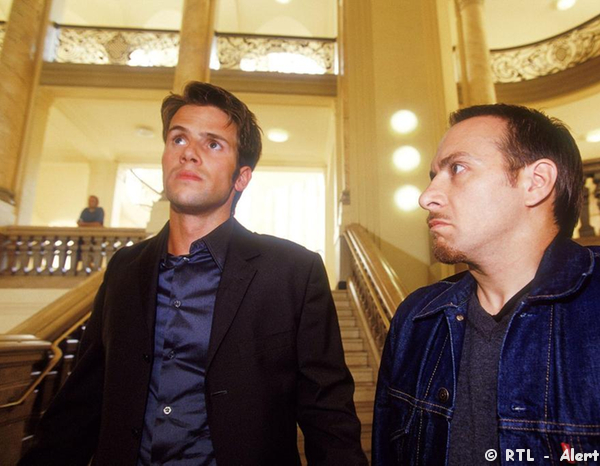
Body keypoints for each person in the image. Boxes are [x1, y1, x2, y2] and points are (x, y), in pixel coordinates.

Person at [21, 82, 367, 466]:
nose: (188, 153)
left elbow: (328, 419)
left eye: (213, 144)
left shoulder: (292, 272)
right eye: (178, 139)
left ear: (241, 177)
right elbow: (80, 405)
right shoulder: (124, 268)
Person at [372, 104, 600, 465]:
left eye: (458, 168)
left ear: (536, 182)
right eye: (433, 175)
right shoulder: (416, 319)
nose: (426, 197)